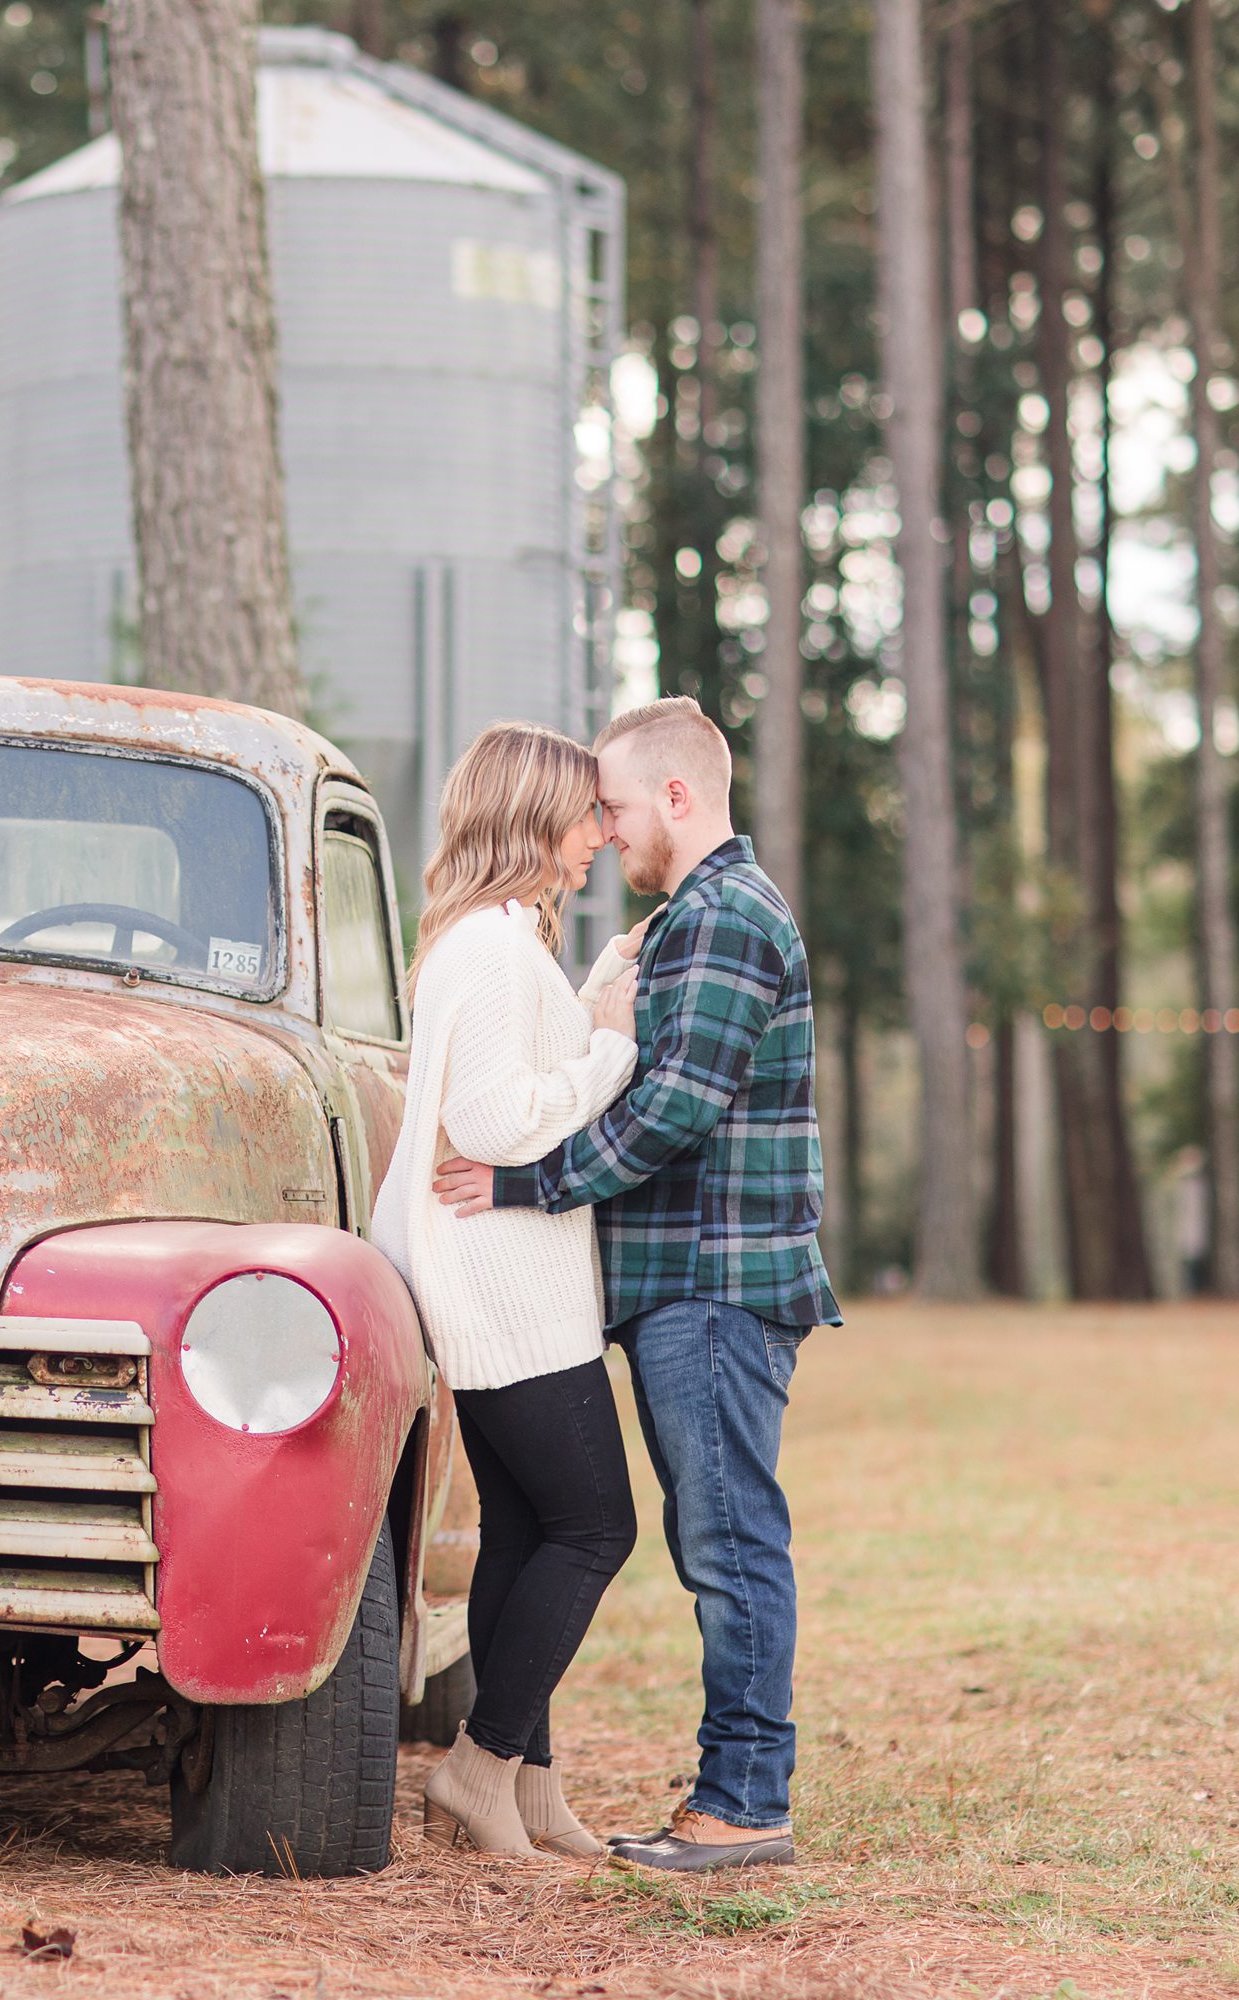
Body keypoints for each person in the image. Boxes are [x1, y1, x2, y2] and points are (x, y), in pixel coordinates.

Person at [434, 695, 840, 1873]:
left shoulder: (727, 916)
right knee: (687, 1534)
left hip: (714, 1284)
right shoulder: (685, 922)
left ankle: (744, 1801)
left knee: (729, 1543)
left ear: (677, 794)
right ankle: (550, 1779)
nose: (605, 829)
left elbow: (669, 1109)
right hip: (678, 1284)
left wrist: (523, 1184)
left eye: (613, 805)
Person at [369, 721, 647, 1862]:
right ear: (535, 816)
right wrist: (614, 1053)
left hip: (500, 1274)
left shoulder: (493, 940)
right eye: (587, 814)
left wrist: (599, 982)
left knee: (528, 1531)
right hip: (505, 1283)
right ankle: (478, 1766)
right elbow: (493, 1117)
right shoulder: (490, 948)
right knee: (598, 1525)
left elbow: (521, 1059)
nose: (602, 834)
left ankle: (529, 1789)